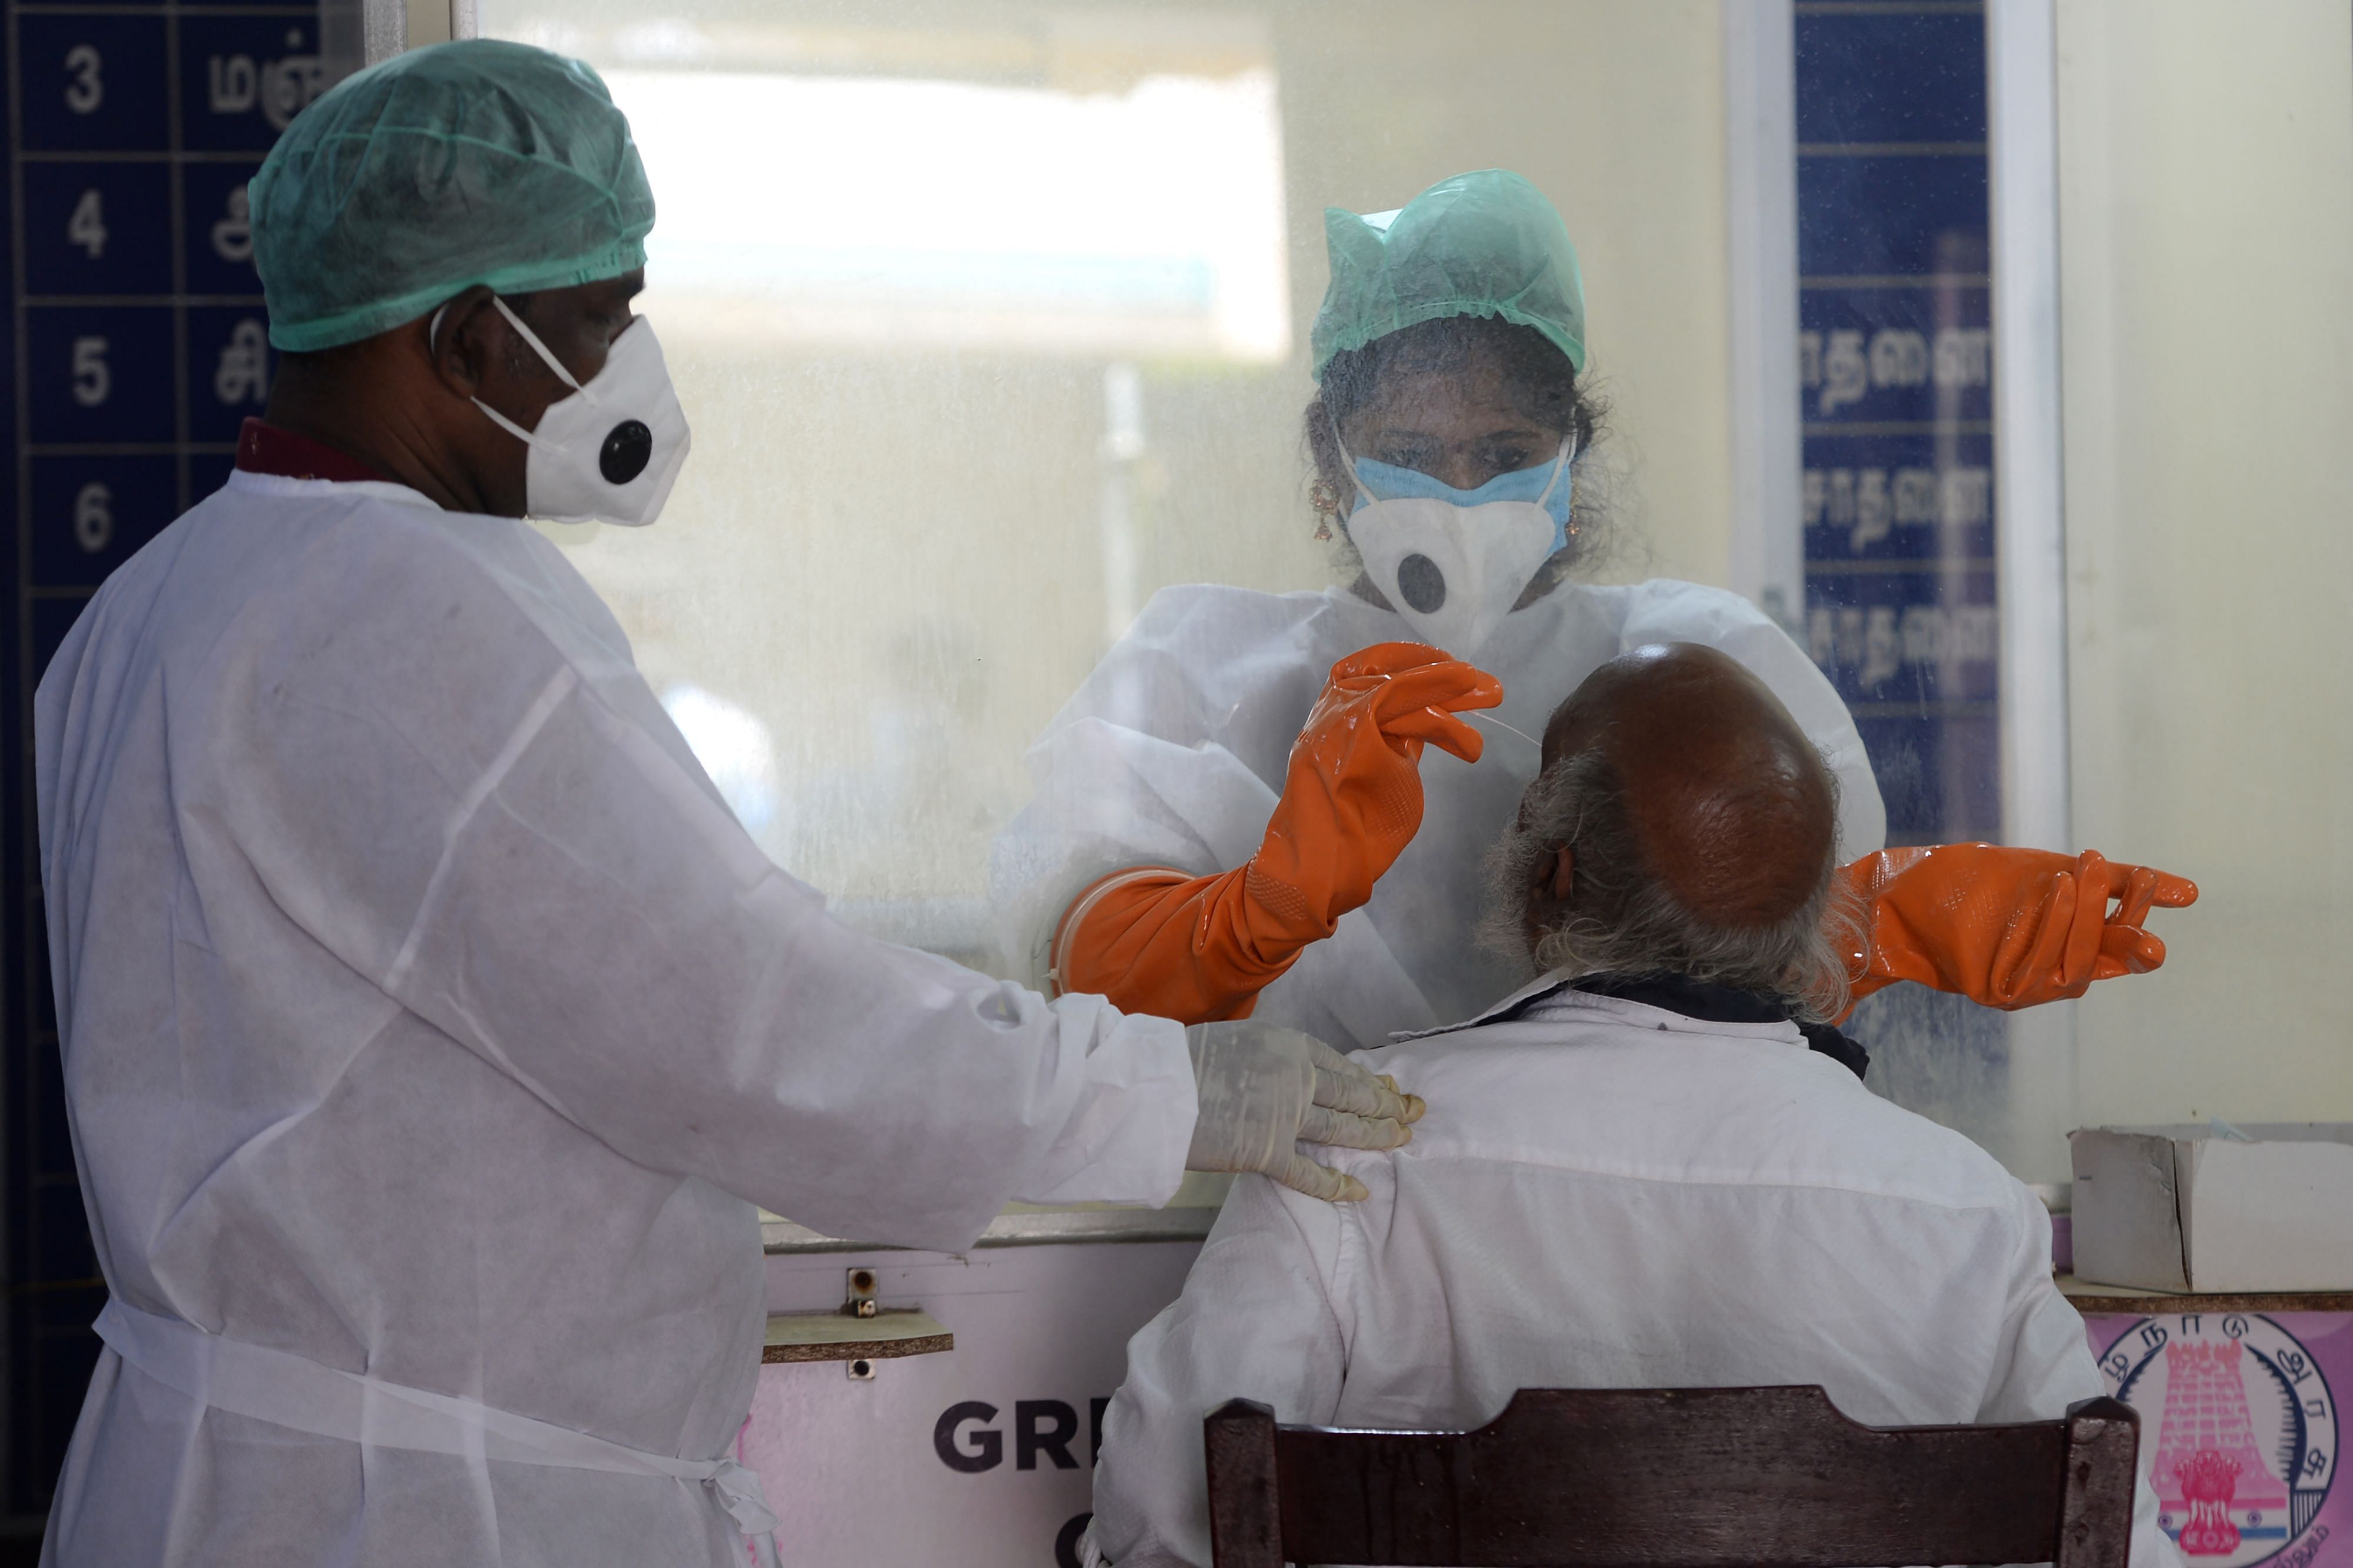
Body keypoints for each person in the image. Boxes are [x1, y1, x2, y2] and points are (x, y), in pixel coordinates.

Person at [33, 42, 1417, 1568]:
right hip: (432, 1514)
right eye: (595, 315)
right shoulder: (427, 625)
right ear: (466, 340)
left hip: (218, 1480)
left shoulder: (155, 608)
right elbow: (753, 1027)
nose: (630, 353)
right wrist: (1171, 1093)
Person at [992, 169, 2192, 1050]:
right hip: (1310, 1218)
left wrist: (1886, 922)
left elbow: (1766, 1001)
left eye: (1506, 448)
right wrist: (1247, 915)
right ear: (1328, 472)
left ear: (1572, 463)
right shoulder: (1199, 668)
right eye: (1407, 449)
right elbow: (1070, 959)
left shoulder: (1693, 668)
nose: (1459, 493)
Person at [1084, 643, 2178, 1568]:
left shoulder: (1350, 1148)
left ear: (1551, 875)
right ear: (1818, 911)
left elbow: (1160, 1524)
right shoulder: (1967, 1218)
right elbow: (2118, 1539)